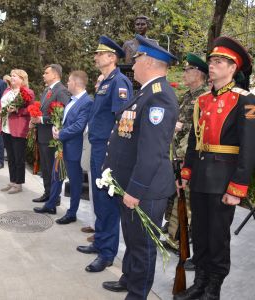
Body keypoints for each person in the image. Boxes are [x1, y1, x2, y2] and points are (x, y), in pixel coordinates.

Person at [174, 37, 255, 300]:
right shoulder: (203, 100)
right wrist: (186, 173)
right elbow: (195, 141)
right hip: (200, 176)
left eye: (218, 62)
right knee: (200, 231)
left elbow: (249, 148)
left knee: (218, 237)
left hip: (224, 178)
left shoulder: (247, 100)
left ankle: (213, 289)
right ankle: (199, 283)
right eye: (211, 61)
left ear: (232, 68)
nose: (212, 65)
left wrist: (238, 187)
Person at [100, 35, 178, 299]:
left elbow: (151, 152)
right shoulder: (145, 92)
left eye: (137, 60)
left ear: (150, 62)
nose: (132, 66)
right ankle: (129, 278)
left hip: (145, 188)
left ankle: (137, 294)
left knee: (143, 246)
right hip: (131, 183)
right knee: (132, 240)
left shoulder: (160, 97)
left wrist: (135, 189)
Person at [76, 36, 133, 273]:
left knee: (107, 201)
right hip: (97, 146)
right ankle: (100, 241)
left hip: (107, 149)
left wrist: (112, 151)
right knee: (99, 198)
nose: (96, 57)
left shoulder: (119, 82)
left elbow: (122, 121)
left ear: (112, 57)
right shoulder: (106, 82)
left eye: (100, 53)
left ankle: (108, 253)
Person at [163, 54, 209, 266]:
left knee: (186, 200)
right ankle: (173, 234)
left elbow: (196, 131)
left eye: (188, 69)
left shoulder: (204, 96)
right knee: (175, 197)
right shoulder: (188, 96)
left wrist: (182, 157)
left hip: (189, 157)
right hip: (176, 153)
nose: (184, 73)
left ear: (198, 73)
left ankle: (179, 238)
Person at [33, 70, 93, 223]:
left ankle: (72, 213)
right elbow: (65, 121)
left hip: (74, 148)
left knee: (74, 182)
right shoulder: (73, 100)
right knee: (56, 176)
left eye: (69, 81)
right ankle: (51, 204)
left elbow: (79, 126)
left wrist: (61, 134)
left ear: (75, 83)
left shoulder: (87, 101)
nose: (67, 84)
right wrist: (57, 128)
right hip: (62, 146)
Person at [30, 64, 70, 204]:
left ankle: (54, 197)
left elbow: (64, 114)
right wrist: (35, 118)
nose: (43, 75)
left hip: (52, 137)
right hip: (43, 135)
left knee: (53, 168)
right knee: (46, 168)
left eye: (46, 73)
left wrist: (41, 119)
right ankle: (47, 193)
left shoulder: (61, 91)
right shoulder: (47, 90)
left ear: (55, 75)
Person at [0, 69, 35, 194]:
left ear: (22, 79)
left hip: (18, 128)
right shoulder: (7, 90)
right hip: (6, 128)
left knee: (18, 158)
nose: (11, 78)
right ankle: (12, 181)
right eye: (11, 76)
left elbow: (30, 110)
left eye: (14, 76)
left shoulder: (27, 92)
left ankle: (19, 184)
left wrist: (16, 110)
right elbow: (0, 104)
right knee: (11, 157)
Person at [80, 74, 104, 242]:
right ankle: (94, 223)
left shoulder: (104, 103)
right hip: (90, 150)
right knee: (92, 191)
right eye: (96, 82)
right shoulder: (96, 101)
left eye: (100, 82)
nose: (96, 86)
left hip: (101, 152)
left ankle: (100, 229)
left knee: (101, 194)